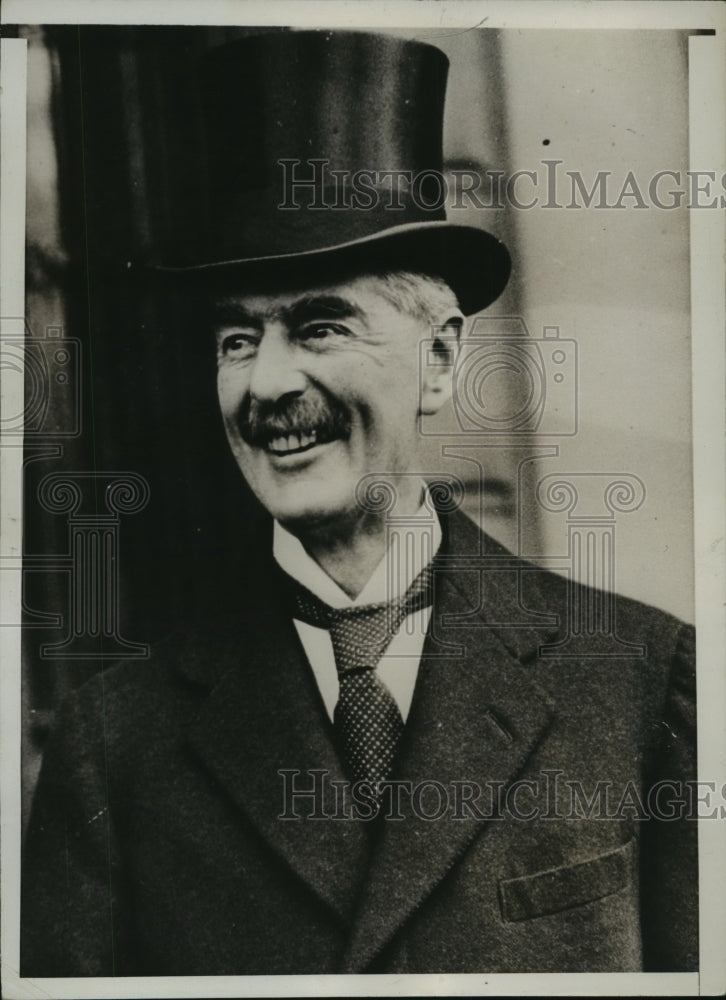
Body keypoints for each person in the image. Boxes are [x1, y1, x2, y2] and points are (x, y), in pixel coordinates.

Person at [21, 29, 697, 977]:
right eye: (234, 340)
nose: (266, 384)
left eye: (321, 325)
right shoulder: (116, 747)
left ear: (440, 358)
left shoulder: (638, 684)